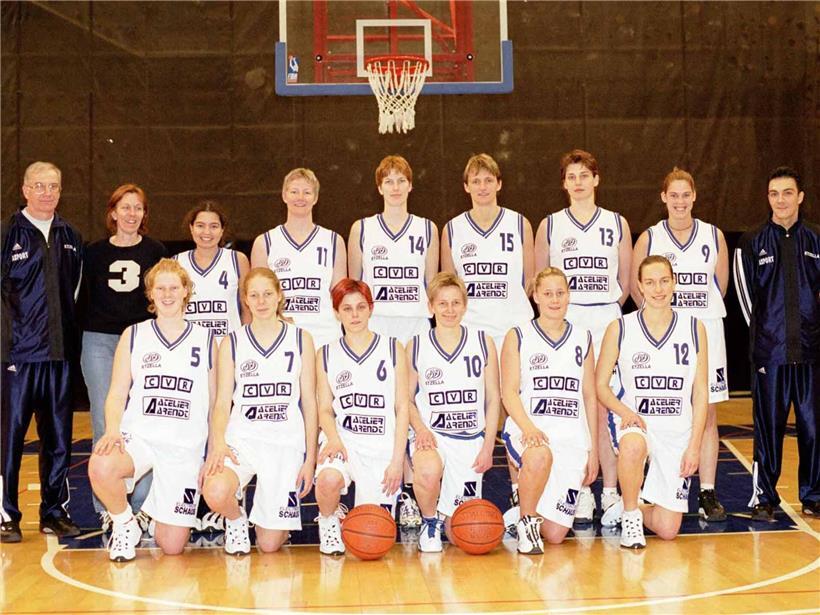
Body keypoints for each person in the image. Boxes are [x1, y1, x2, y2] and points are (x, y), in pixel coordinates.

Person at [87, 259, 217, 561]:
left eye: (174, 287)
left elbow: (215, 401)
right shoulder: (134, 335)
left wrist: (213, 447)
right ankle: (124, 523)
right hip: (141, 437)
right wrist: (112, 430)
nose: (168, 294)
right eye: (161, 288)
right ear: (151, 294)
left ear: (186, 291)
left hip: (184, 446)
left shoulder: (207, 338)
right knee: (101, 464)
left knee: (171, 546)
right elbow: (117, 392)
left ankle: (154, 506)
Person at [534, 149, 632, 525]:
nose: (578, 182)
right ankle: (579, 490)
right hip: (566, 323)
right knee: (573, 405)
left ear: (596, 179)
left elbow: (624, 283)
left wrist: (604, 311)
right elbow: (540, 282)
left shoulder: (616, 223)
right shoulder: (551, 226)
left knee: (604, 404)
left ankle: (609, 491)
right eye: (571, 176)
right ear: (564, 184)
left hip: (604, 317)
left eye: (584, 175)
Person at [631, 168, 729, 522]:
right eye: (673, 195)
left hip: (705, 329)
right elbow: (635, 288)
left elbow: (721, 285)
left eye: (685, 195)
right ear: (663, 198)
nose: (680, 201)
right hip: (662, 334)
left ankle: (706, 490)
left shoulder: (713, 235)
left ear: (694, 196)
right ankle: (648, 486)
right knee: (656, 407)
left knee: (708, 412)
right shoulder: (650, 238)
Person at [348, 155, 438, 529]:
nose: (396, 187)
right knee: (384, 408)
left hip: (415, 324)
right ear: (379, 187)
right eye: (389, 181)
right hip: (378, 326)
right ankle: (393, 487)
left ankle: (413, 490)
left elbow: (431, 285)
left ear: (410, 186)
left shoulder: (428, 229)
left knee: (412, 404)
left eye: (402, 180)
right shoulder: (362, 229)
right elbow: (355, 286)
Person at [201, 268, 317, 555]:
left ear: (279, 296)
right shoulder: (231, 342)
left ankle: (273, 523)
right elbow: (221, 402)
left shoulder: (301, 339)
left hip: (284, 444)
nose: (262, 301)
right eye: (254, 295)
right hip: (242, 440)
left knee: (268, 546)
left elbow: (310, 404)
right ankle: (236, 519)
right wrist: (217, 444)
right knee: (215, 490)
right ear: (246, 301)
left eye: (267, 293)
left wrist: (310, 459)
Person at [595, 255, 708, 548]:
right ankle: (631, 517)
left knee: (668, 529)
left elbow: (700, 393)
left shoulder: (695, 328)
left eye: (664, 281)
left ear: (674, 283)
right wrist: (623, 411)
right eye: (650, 282)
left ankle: (629, 506)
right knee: (632, 444)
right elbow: (600, 385)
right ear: (640, 287)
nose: (658, 289)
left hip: (677, 431)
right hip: (637, 421)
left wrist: (694, 446)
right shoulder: (620, 328)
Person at [1, 161, 83, 543]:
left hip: (60, 357)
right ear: (25, 189)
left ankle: (53, 511)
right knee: (11, 438)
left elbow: (76, 294)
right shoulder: (6, 234)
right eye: (39, 185)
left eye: (54, 185)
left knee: (59, 440)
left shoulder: (71, 235)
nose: (47, 192)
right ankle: (6, 514)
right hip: (17, 358)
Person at [80, 183, 167, 532]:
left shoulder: (156, 252)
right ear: (112, 212)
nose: (132, 214)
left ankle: (144, 506)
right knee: (106, 422)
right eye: (125, 207)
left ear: (144, 214)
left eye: (138, 208)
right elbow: (82, 299)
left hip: (142, 342)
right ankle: (109, 507)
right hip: (100, 341)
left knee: (145, 422)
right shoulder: (93, 253)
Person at [734, 166, 820, 520]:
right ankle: (764, 498)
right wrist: (763, 341)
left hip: (812, 354)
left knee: (813, 429)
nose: (781, 200)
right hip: (770, 355)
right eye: (774, 193)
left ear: (800, 196)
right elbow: (744, 297)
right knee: (767, 429)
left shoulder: (816, 239)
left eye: (787, 192)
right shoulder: (753, 241)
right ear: (767, 198)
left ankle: (813, 496)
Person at [500, 267, 598, 553]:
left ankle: (518, 515)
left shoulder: (583, 337)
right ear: (535, 296)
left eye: (560, 293)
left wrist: (591, 448)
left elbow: (589, 396)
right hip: (530, 427)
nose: (554, 299)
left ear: (568, 296)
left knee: (555, 534)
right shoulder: (518, 335)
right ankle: (527, 523)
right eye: (547, 294)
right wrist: (529, 428)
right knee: (540, 453)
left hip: (571, 434)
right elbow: (509, 393)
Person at [313, 279, 410, 555]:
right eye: (347, 309)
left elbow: (402, 407)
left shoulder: (393, 349)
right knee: (329, 479)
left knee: (374, 538)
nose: (354, 315)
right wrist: (332, 438)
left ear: (370, 309)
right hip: (344, 441)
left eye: (360, 307)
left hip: (381, 447)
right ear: (336, 313)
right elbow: (324, 409)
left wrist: (396, 461)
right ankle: (329, 521)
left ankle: (354, 511)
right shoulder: (327, 354)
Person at [407, 272, 500, 552]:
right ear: (431, 306)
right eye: (443, 303)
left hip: (469, 438)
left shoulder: (483, 342)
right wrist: (421, 429)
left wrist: (487, 447)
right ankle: (429, 520)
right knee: (426, 469)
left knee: (463, 532)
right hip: (431, 435)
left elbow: (494, 399)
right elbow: (406, 400)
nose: (449, 310)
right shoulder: (417, 345)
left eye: (455, 303)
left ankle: (445, 520)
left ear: (465, 305)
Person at [441, 154, 534, 349]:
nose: (482, 187)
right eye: (476, 181)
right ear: (466, 186)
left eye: (488, 180)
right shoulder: (452, 229)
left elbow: (529, 283)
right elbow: (449, 286)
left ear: (499, 184)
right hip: (470, 329)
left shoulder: (519, 225)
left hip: (514, 329)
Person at [251, 168, 346, 349]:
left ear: (316, 198)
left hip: (325, 335)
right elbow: (257, 294)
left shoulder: (334, 241)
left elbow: (340, 295)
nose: (300, 197)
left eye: (307, 192)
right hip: (281, 335)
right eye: (294, 191)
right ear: (284, 195)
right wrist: (278, 319)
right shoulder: (265, 242)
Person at [176, 200, 250, 339]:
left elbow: (247, 309)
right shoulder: (177, 263)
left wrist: (246, 344)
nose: (207, 232)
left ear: (222, 230)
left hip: (227, 347)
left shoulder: (237, 260)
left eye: (214, 226)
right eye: (200, 226)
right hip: (188, 345)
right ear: (191, 228)